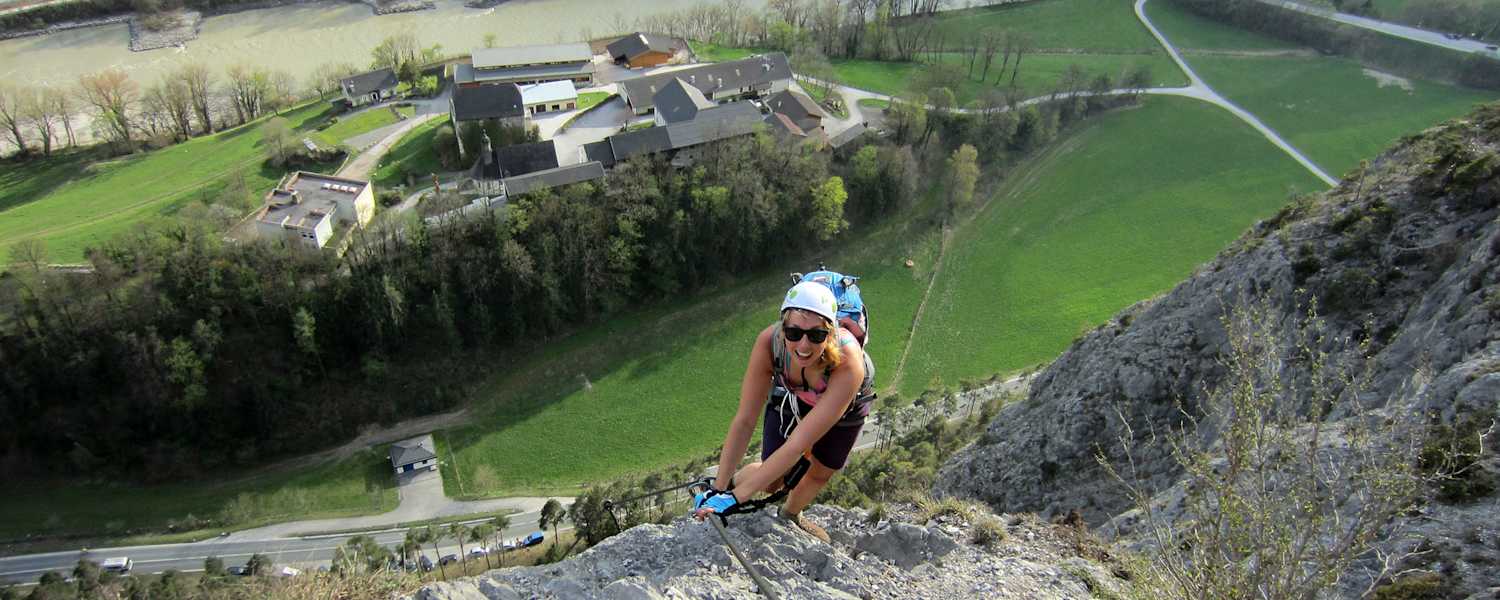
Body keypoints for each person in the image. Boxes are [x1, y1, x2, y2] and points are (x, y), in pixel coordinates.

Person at [692, 281, 874, 543]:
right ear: (782, 329)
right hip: (796, 395)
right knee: (771, 479)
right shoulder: (769, 343)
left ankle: (791, 514)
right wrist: (719, 490)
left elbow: (797, 445)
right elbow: (745, 420)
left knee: (822, 469)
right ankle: (729, 481)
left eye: (816, 335)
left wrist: (734, 501)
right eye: (794, 333)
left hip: (846, 405)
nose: (803, 345)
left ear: (830, 334)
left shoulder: (849, 363)